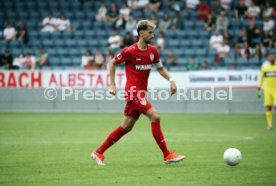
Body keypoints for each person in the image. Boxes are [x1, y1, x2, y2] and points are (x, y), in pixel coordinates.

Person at [91, 20, 185, 165]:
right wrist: (112, 84)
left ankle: (98, 152)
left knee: (126, 127)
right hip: (133, 92)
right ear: (141, 33)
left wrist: (171, 80)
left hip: (141, 93)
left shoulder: (153, 51)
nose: (153, 35)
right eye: (150, 32)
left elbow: (160, 68)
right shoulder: (129, 51)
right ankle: (167, 155)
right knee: (155, 116)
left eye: (153, 32)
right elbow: (112, 62)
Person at [257, 52, 276, 130]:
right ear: (268, 58)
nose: (272, 58)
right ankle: (269, 124)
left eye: (273, 57)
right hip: (267, 90)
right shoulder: (265, 67)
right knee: (268, 107)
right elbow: (261, 78)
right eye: (270, 57)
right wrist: (259, 88)